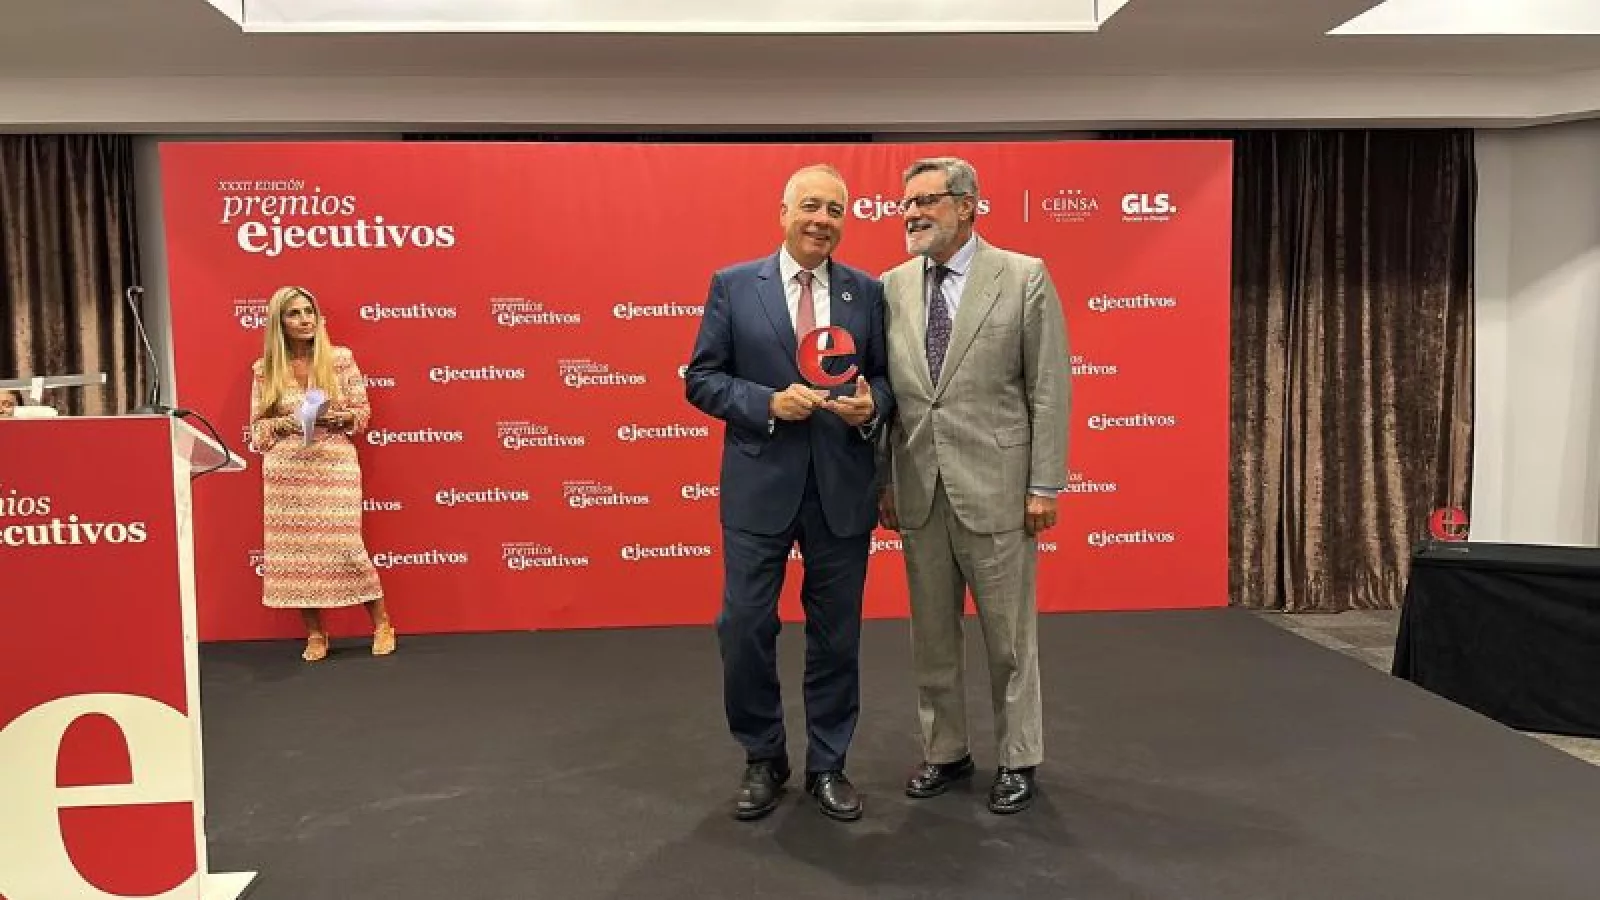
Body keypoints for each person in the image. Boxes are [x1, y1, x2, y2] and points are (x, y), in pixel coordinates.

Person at [685, 164, 894, 822]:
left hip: (841, 488)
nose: (821, 220)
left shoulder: (867, 292)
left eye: (834, 210)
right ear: (783, 212)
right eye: (810, 206)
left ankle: (828, 763)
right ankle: (763, 756)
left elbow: (886, 380)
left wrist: (873, 405)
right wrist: (766, 403)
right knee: (744, 626)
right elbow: (702, 379)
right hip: (760, 486)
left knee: (837, 636)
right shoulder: (732, 285)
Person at [877, 156, 1070, 815]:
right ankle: (946, 751)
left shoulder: (1022, 276)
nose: (912, 213)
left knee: (1009, 642)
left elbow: (1048, 389)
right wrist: (884, 480)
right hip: (920, 490)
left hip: (998, 490)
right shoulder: (892, 285)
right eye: (906, 203)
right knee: (931, 637)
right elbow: (892, 397)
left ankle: (1018, 758)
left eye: (926, 200)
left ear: (967, 206)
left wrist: (1044, 485)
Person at [249, 285, 395, 662]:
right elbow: (257, 431)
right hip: (286, 471)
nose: (304, 320)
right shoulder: (264, 369)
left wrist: (335, 418)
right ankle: (315, 633)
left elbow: (361, 415)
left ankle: (382, 624)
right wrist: (284, 424)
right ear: (279, 322)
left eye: (309, 311)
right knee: (296, 555)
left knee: (347, 547)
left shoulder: (340, 359)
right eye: (294, 313)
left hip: (334, 464)